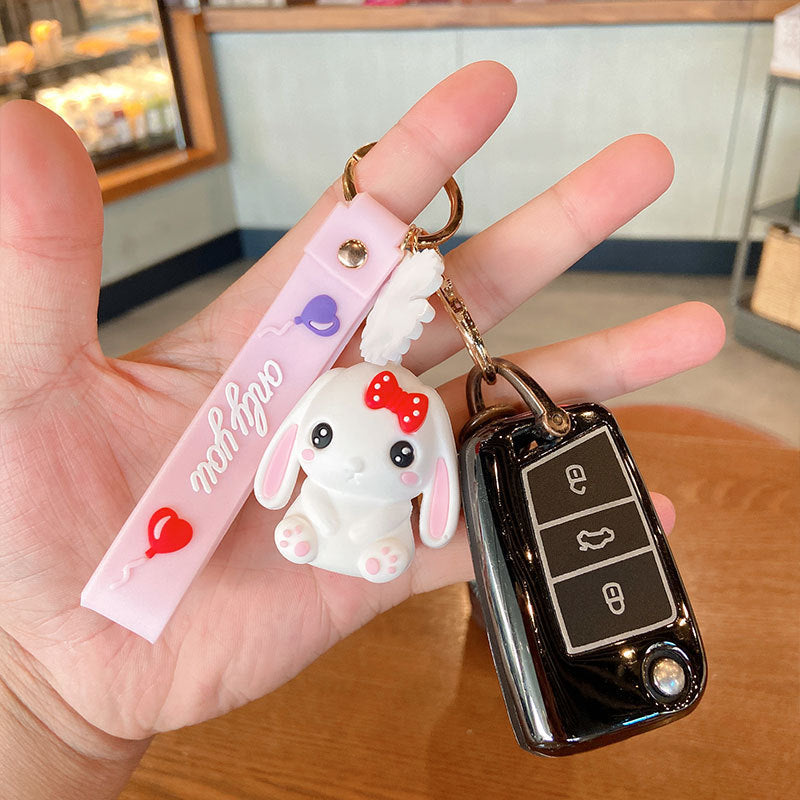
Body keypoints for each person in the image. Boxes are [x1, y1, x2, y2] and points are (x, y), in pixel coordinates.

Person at [0, 62, 724, 797]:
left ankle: (359, 544)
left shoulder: (412, 428)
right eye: (316, 440)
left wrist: (46, 709)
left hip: (374, 523)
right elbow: (289, 447)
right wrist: (34, 700)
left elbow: (432, 486)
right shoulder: (325, 403)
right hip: (297, 519)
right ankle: (318, 534)